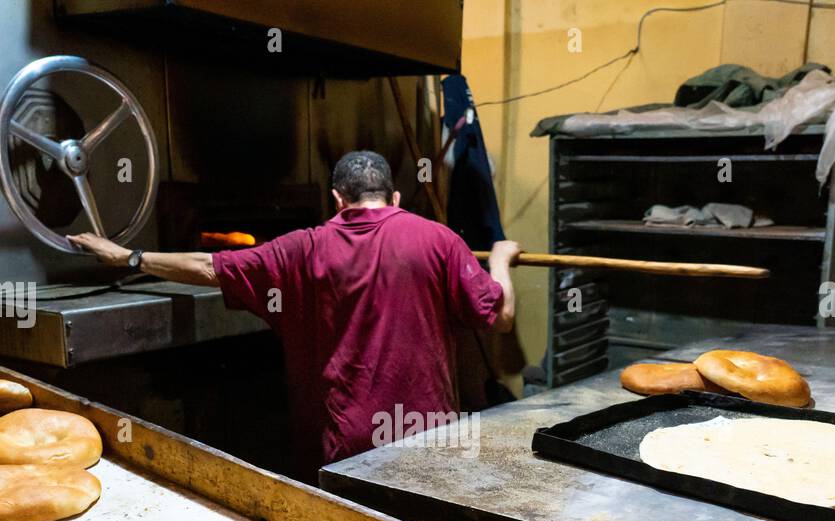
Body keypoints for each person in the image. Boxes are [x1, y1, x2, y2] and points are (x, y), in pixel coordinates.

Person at [68, 150, 519, 481]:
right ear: (395, 197)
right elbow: (500, 317)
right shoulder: (438, 240)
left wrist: (128, 255)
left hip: (346, 448)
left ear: (338, 200)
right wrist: (500, 257)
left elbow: (207, 265)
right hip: (427, 440)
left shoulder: (302, 247)